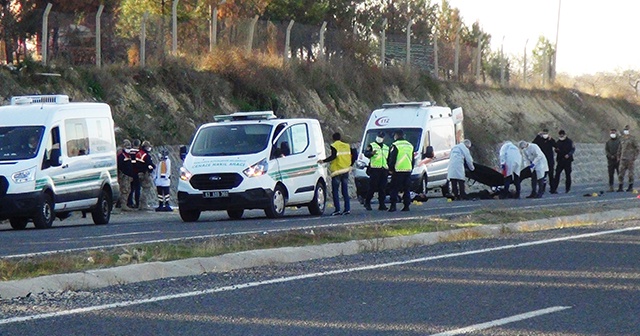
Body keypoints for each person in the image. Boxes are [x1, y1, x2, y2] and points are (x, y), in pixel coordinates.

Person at [318, 132, 356, 215]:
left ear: (333, 138)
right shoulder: (346, 145)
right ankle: (347, 209)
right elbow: (355, 154)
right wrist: (350, 164)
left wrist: (323, 161)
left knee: (335, 191)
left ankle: (337, 209)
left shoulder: (334, 145)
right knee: (344, 191)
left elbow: (333, 156)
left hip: (337, 171)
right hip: (345, 170)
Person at [387, 130, 415, 211]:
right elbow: (412, 159)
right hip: (408, 170)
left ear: (396, 135)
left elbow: (392, 158)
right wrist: (411, 168)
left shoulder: (395, 145)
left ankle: (393, 206)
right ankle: (406, 206)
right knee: (407, 189)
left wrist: (391, 169)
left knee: (394, 188)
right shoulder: (410, 145)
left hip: (398, 170)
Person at [362, 131, 389, 211]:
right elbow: (366, 153)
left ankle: (382, 204)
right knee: (372, 187)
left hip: (384, 169)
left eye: (381, 137)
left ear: (384, 138)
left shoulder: (386, 147)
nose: (380, 138)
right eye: (379, 136)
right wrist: (371, 153)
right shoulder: (371, 145)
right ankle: (367, 202)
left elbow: (388, 158)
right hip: (374, 169)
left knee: (382, 188)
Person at [550, 129, 575, 194]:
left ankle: (567, 188)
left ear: (564, 135)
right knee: (557, 175)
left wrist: (569, 155)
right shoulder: (558, 142)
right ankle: (554, 189)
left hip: (567, 161)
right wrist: (556, 150)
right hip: (560, 160)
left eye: (562, 135)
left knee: (568, 175)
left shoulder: (569, 141)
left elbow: (573, 149)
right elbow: (556, 149)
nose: (561, 136)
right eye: (560, 135)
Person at [617, 125, 639, 192]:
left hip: (630, 159)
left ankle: (630, 186)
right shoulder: (622, 139)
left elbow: (637, 148)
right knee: (621, 174)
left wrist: (635, 156)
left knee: (630, 174)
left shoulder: (632, 139)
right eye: (625, 130)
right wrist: (618, 156)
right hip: (623, 159)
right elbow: (620, 148)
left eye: (627, 130)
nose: (626, 131)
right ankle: (620, 187)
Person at [137, 140, 156, 210]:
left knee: (139, 189)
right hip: (145, 173)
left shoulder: (139, 153)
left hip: (138, 173)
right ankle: (143, 205)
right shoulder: (145, 155)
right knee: (146, 188)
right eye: (148, 146)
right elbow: (149, 164)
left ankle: (139, 204)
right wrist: (153, 167)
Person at [116, 139, 133, 209]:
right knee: (124, 190)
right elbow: (121, 166)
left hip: (128, 175)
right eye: (127, 147)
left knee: (127, 189)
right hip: (123, 175)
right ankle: (123, 204)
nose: (129, 149)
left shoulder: (128, 155)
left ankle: (121, 203)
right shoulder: (121, 155)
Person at [127, 139, 141, 208]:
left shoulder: (129, 152)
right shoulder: (139, 152)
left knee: (130, 188)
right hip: (137, 172)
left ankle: (129, 202)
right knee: (137, 188)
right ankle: (137, 203)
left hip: (130, 172)